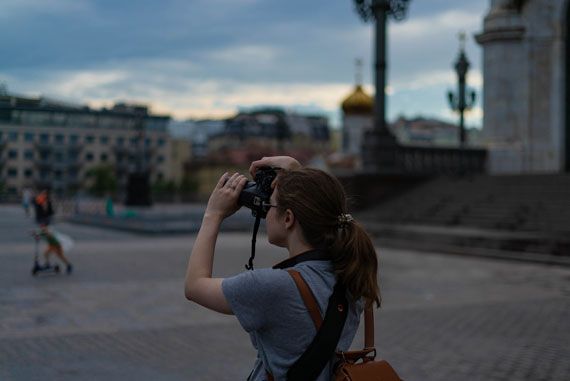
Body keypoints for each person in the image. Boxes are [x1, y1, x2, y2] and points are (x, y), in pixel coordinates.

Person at [184, 156, 381, 380]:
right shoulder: (351, 273)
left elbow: (194, 286)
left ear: (288, 218)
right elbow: (323, 203)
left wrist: (213, 214)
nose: (265, 211)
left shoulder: (272, 286)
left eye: (270, 204)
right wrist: (296, 173)